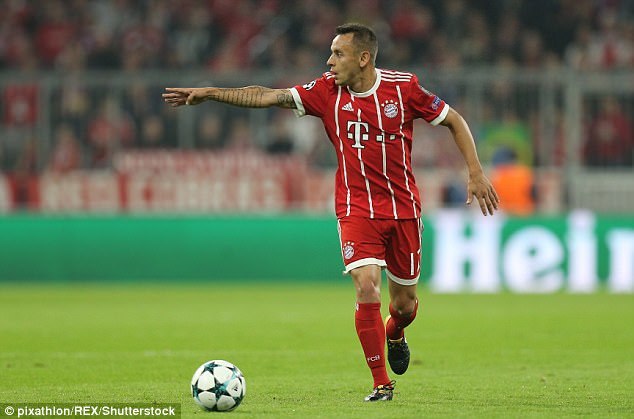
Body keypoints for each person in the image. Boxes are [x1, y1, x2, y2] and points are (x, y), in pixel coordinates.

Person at [163, 23, 499, 402]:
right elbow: (268, 96)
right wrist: (211, 93)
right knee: (366, 284)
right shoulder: (325, 91)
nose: (330, 61)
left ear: (363, 58)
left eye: (338, 53)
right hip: (355, 209)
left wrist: (475, 172)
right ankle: (381, 383)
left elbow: (454, 119)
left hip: (403, 209)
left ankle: (395, 332)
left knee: (404, 306)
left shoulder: (403, 88)